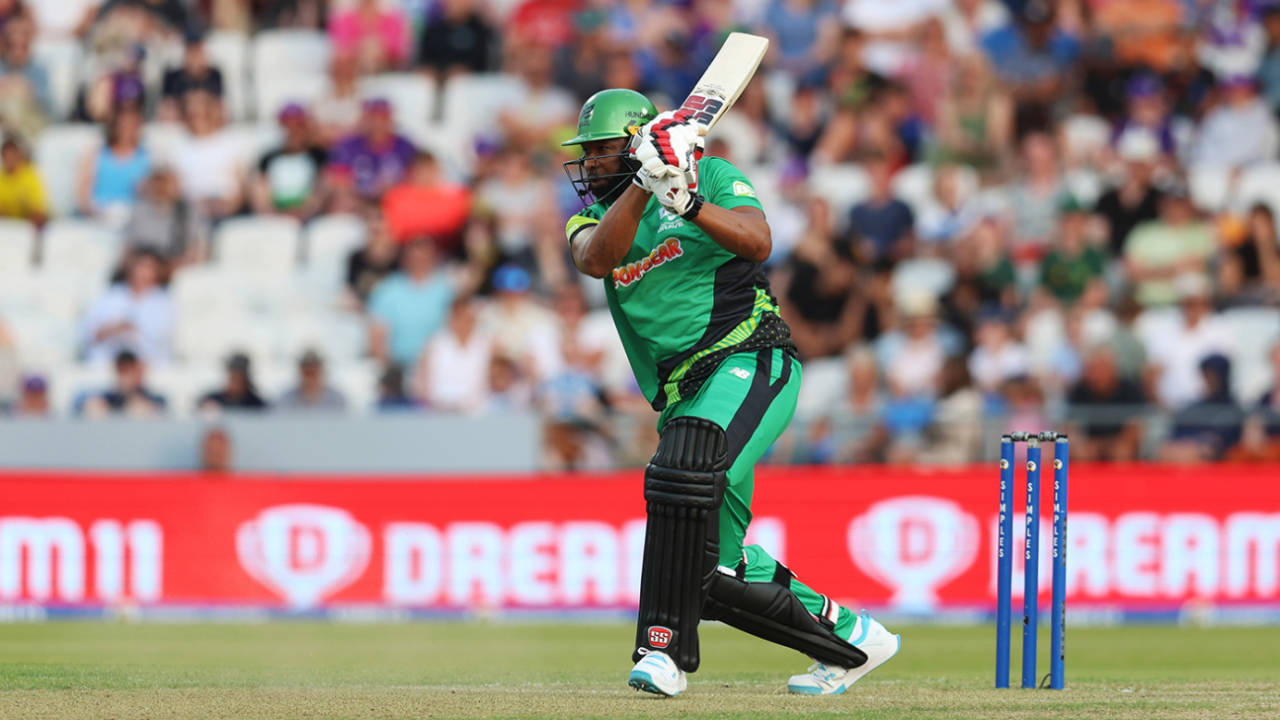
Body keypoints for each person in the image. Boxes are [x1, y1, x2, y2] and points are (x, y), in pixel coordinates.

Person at [561, 88, 899, 698]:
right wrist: (643, 182)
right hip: (683, 392)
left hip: (749, 356)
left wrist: (686, 201)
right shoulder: (592, 220)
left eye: (603, 151)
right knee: (706, 569)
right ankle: (851, 639)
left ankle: (660, 654)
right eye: (588, 154)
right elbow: (597, 259)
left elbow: (758, 242)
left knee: (679, 473)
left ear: (634, 141)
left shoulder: (713, 174)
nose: (591, 164)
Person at [79, 249, 173, 365]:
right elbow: (89, 332)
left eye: (149, 267)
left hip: (147, 363)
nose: (143, 272)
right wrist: (115, 328)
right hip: (108, 362)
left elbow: (162, 337)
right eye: (140, 266)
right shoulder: (111, 295)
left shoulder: (164, 301)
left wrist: (131, 330)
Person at [251, 103, 328, 218]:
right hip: (276, 216)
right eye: (288, 126)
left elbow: (323, 188)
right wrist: (275, 214)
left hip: (310, 216)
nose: (293, 131)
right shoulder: (268, 158)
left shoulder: (318, 156)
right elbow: (260, 192)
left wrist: (305, 211)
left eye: (298, 126)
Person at [76, 105, 150, 221]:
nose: (128, 129)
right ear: (115, 126)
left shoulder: (147, 157)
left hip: (133, 217)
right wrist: (93, 212)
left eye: (133, 125)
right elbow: (83, 192)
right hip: (99, 214)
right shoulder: (97, 154)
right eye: (123, 125)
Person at [77, 349, 166, 417]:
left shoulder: (154, 398)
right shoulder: (108, 398)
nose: (128, 376)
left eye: (132, 371)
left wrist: (150, 410)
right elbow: (80, 401)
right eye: (124, 371)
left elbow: (163, 408)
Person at [276, 349, 348, 412]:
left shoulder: (337, 400)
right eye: (307, 373)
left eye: (313, 372)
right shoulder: (286, 400)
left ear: (321, 372)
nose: (310, 378)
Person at [198, 352, 268, 412]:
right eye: (233, 376)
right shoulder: (213, 400)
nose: (236, 381)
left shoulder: (256, 404)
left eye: (240, 377)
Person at [0, 135, 46, 225]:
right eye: (7, 156)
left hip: (26, 226)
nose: (10, 160)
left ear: (19, 156)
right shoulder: (1, 178)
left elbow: (38, 209)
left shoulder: (31, 175)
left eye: (12, 155)